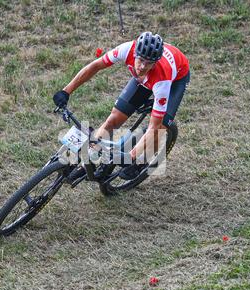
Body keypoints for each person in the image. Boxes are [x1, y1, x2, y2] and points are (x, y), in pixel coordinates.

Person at [53, 31, 190, 180]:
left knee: (160, 127)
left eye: (149, 63)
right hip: (145, 81)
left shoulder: (162, 80)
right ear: (135, 52)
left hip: (175, 80)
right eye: (141, 60)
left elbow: (153, 127)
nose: (143, 66)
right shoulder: (126, 49)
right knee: (113, 120)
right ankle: (91, 158)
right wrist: (66, 91)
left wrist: (131, 157)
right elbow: (95, 66)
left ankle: (142, 163)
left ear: (155, 62)